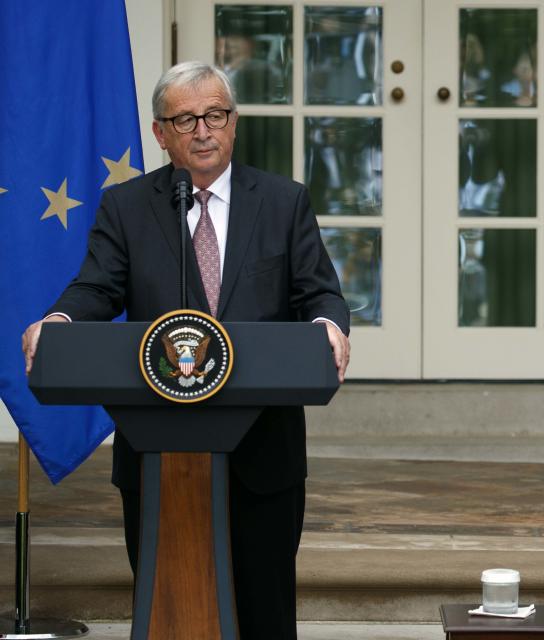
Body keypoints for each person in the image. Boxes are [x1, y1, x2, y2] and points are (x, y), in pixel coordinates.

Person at [21, 61, 350, 639]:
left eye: (216, 115)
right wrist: (59, 320)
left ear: (234, 122)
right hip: (158, 456)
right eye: (186, 118)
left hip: (262, 458)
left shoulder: (283, 201)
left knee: (265, 617)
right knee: (168, 610)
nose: (204, 130)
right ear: (160, 133)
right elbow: (96, 287)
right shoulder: (126, 207)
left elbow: (318, 290)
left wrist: (328, 323)